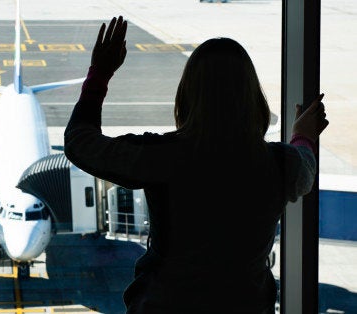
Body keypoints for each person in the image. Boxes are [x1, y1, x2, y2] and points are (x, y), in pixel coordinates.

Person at [64, 16, 329, 314]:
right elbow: (304, 165)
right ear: (252, 98)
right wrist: (303, 136)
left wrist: (99, 75)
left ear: (187, 96)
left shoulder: (162, 156)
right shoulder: (281, 165)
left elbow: (80, 144)